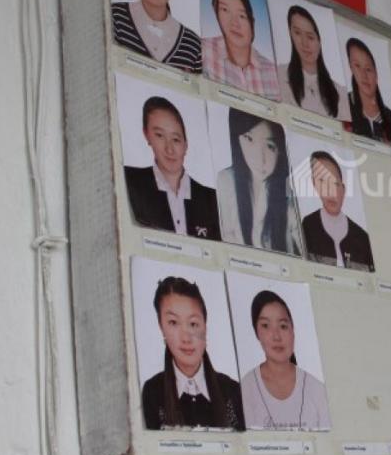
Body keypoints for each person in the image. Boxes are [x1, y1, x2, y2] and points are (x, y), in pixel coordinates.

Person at [141, 276, 244, 430]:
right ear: (161, 327)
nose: (186, 338)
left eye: (193, 324)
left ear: (205, 326)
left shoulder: (232, 390)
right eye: (173, 322)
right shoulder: (152, 392)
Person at [125, 96, 221, 240]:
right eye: (159, 136)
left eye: (176, 139)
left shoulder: (212, 199)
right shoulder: (129, 181)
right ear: (147, 135)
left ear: (185, 145)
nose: (169, 149)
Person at [216, 108, 302, 255]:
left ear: (281, 150)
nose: (259, 159)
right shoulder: (226, 181)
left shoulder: (289, 198)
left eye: (270, 146)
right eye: (249, 139)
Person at [241, 290, 331, 430]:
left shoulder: (318, 390)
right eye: (265, 326)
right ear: (257, 333)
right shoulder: (245, 388)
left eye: (283, 326)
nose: (276, 336)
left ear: (293, 331)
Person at [202, 0, 280, 100]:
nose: (235, 23)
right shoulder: (202, 51)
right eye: (225, 10)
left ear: (252, 22)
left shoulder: (273, 72)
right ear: (215, 11)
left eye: (242, 16)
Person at [300, 151, 375, 271]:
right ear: (315, 185)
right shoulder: (308, 226)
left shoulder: (362, 237)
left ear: (343, 189)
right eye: (322, 182)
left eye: (335, 183)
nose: (330, 191)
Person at [277, 5, 350, 120]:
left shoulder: (340, 94)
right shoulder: (279, 75)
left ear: (320, 41)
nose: (304, 43)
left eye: (310, 37)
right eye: (297, 33)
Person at [344, 37, 391, 147]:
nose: (364, 75)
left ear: (376, 73)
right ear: (351, 68)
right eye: (357, 66)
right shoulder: (342, 106)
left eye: (368, 69)